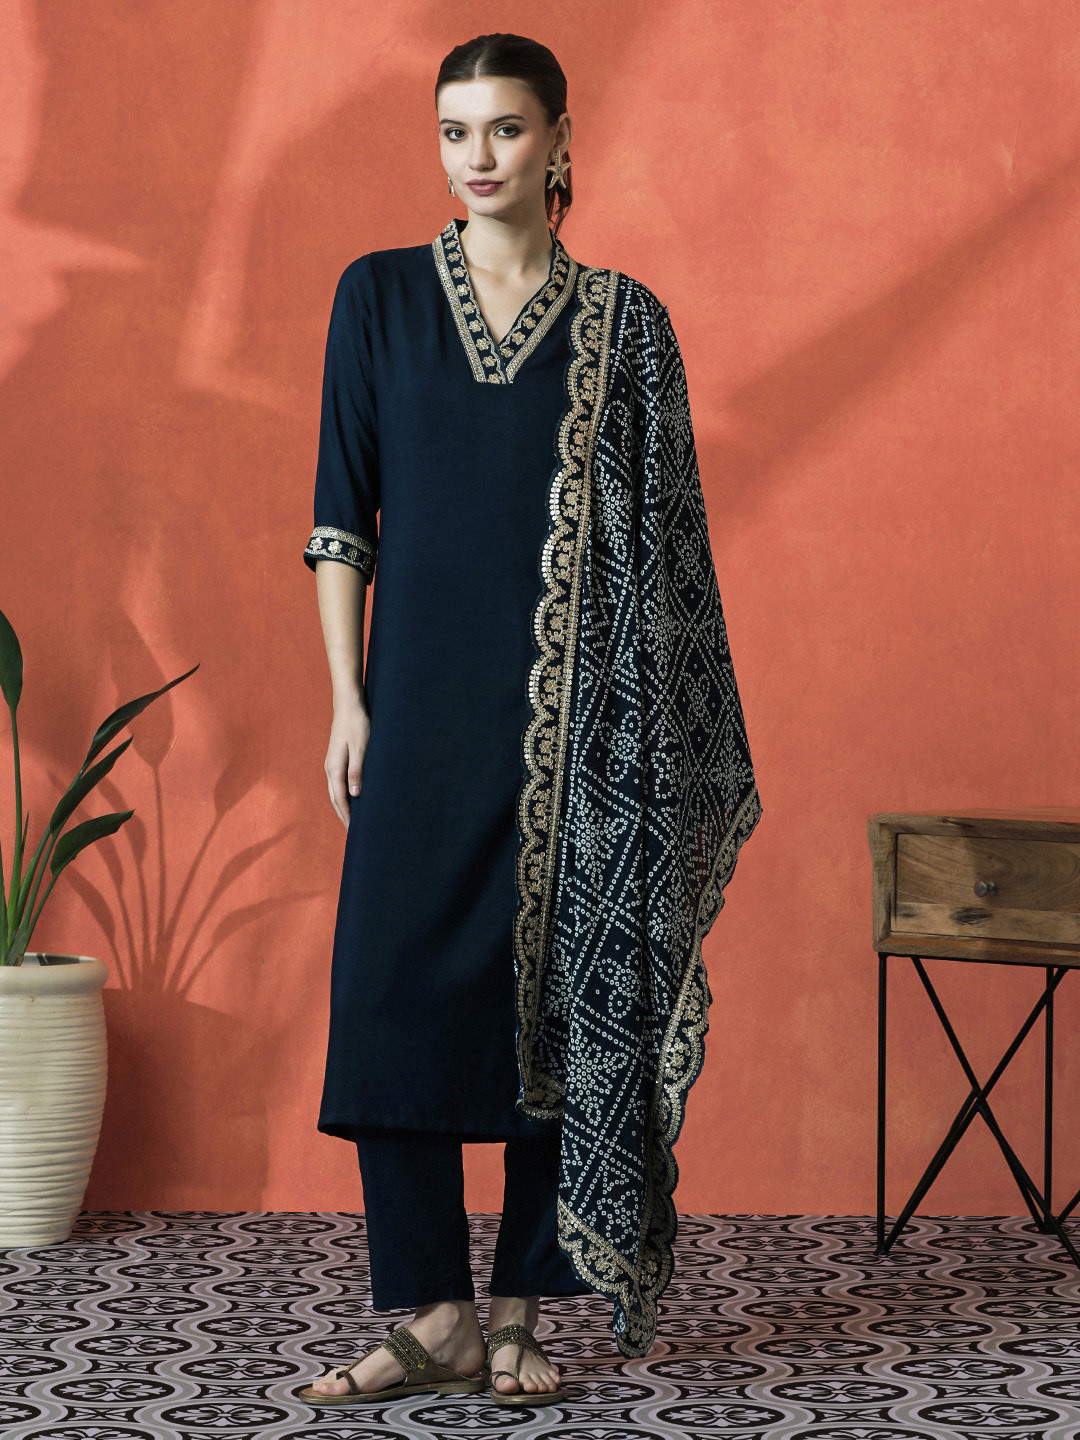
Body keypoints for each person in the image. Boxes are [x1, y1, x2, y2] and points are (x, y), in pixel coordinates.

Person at [298, 32, 762, 1410]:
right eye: (455, 131)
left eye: (505, 128)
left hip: (581, 732)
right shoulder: (378, 296)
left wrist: (646, 741)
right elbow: (341, 516)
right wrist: (346, 699)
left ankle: (517, 1309)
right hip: (415, 707)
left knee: (565, 998)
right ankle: (434, 1309)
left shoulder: (627, 324)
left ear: (561, 139)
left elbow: (670, 559)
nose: (479, 156)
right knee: (390, 996)